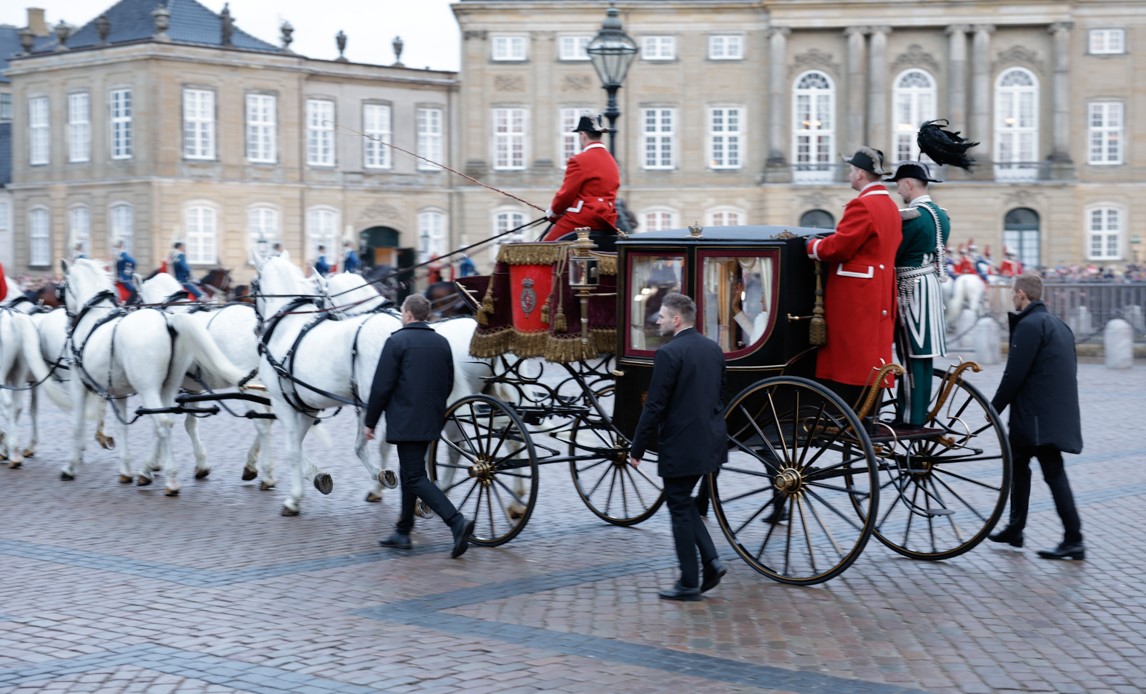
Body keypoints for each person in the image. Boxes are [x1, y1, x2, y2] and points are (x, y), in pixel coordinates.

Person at [628, 292, 727, 601]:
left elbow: (654, 406)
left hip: (683, 444)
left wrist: (637, 448)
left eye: (661, 314)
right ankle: (711, 562)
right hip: (710, 441)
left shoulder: (669, 354)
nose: (656, 319)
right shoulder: (713, 349)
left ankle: (688, 580)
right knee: (683, 502)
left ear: (677, 319)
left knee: (679, 509)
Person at [363, 294, 475, 558]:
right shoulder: (441, 342)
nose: (402, 316)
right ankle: (403, 530)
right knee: (409, 472)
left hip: (405, 419)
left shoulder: (396, 341)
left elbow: (382, 386)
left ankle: (456, 521)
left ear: (408, 314)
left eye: (402, 312)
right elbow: (448, 382)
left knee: (415, 476)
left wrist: (370, 421)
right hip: (431, 418)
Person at [988, 273, 1085, 560]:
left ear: (1021, 294)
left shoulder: (1030, 325)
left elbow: (1014, 374)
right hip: (1044, 414)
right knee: (1019, 466)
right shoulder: (1059, 325)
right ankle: (1015, 529)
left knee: (1053, 472)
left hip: (1036, 417)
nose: (1012, 298)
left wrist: (992, 409)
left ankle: (1074, 538)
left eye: (1013, 294)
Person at [805, 146, 902, 405]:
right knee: (872, 357)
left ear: (860, 174)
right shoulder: (890, 205)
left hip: (857, 296)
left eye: (851, 170)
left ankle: (850, 413)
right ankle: (869, 411)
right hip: (881, 292)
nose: (849, 175)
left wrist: (813, 246)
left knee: (852, 359)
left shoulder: (863, 205)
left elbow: (839, 246)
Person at [887, 161, 951, 426]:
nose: (898, 191)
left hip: (910, 287)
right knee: (924, 355)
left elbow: (894, 252)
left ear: (909, 184)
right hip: (931, 284)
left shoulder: (912, 217)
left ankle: (909, 414)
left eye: (900, 185)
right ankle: (920, 412)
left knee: (910, 353)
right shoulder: (941, 214)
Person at [542, 114, 620, 243]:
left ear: (583, 134)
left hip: (582, 218)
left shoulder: (579, 160)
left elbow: (566, 194)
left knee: (545, 249)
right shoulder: (611, 160)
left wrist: (554, 213)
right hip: (607, 219)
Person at [113, 240, 139, 305]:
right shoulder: (120, 256)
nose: (116, 249)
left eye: (117, 247)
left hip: (124, 280)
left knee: (133, 291)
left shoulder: (123, 256)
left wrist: (127, 275)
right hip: (120, 279)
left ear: (121, 246)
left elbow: (133, 262)